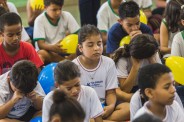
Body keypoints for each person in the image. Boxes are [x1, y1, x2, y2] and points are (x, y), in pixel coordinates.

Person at [73, 24, 129, 121]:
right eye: (90, 45)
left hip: (104, 107)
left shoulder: (109, 63)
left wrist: (111, 106)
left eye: (99, 44)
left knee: (128, 108)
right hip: (84, 109)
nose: (96, 48)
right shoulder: (73, 67)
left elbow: (110, 92)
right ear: (80, 47)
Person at [112, 34, 161, 102]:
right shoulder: (123, 56)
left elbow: (162, 80)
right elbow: (125, 90)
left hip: (144, 87)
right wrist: (135, 66)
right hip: (129, 91)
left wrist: (152, 61)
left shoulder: (152, 51)